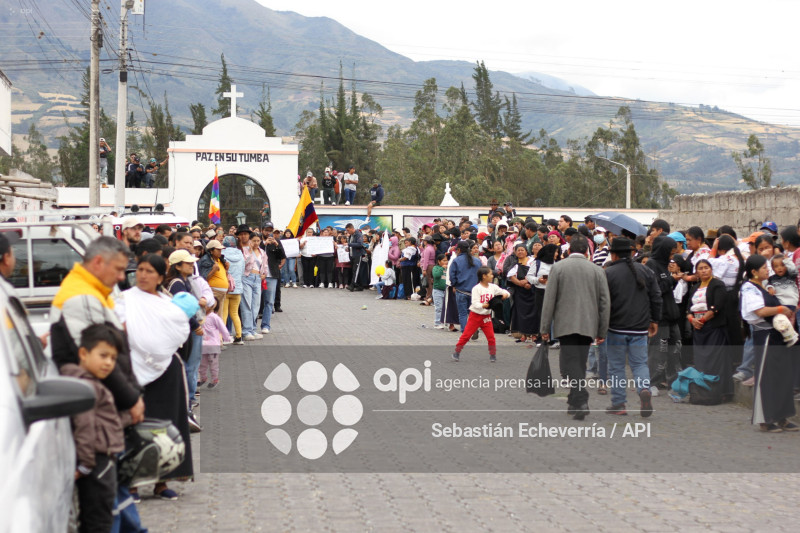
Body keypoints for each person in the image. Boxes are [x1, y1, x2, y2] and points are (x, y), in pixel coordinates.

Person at [114, 253, 194, 499]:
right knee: (135, 426)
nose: (143, 275)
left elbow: (181, 330)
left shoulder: (167, 304)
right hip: (131, 370)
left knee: (165, 427)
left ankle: (162, 482)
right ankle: (133, 483)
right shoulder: (122, 299)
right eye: (140, 270)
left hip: (165, 373)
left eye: (149, 271)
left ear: (160, 276)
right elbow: (118, 329)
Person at [60, 324, 127, 533]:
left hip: (98, 461)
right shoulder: (86, 386)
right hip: (98, 462)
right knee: (99, 520)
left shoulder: (88, 382)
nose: (108, 363)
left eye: (113, 358)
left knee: (93, 518)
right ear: (83, 353)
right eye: (103, 355)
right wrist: (86, 464)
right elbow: (84, 425)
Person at [540, 234, 610, 420]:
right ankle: (574, 398)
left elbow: (549, 300)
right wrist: (602, 330)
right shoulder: (597, 270)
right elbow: (604, 302)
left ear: (569, 250)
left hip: (565, 324)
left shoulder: (558, 268)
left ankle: (580, 398)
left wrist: (544, 328)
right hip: (589, 324)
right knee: (579, 360)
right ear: (587, 252)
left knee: (571, 361)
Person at [602, 237, 662, 416]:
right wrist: (654, 321)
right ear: (632, 253)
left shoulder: (608, 273)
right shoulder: (646, 271)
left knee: (617, 367)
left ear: (613, 255)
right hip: (640, 328)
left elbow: (603, 302)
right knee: (640, 364)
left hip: (615, 329)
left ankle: (619, 404)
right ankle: (644, 389)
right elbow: (656, 297)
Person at [740, 254, 798, 432]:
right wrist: (781, 309)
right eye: (764, 267)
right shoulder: (750, 289)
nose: (768, 270)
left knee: (783, 376)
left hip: (777, 335)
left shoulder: (764, 287)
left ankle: (782, 416)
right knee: (767, 377)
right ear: (754, 272)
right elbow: (759, 311)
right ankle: (766, 418)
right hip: (764, 336)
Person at [686, 259, 733, 401]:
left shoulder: (717, 284)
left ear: (711, 269)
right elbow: (688, 308)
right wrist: (692, 320)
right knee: (701, 361)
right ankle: (703, 391)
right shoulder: (695, 287)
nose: (703, 270)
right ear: (697, 272)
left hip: (713, 326)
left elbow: (717, 306)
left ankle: (717, 392)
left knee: (715, 360)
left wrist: (703, 320)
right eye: (700, 268)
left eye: (706, 267)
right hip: (698, 328)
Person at [646, 236, 683, 391]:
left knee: (675, 351)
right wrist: (671, 280)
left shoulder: (666, 266)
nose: (672, 256)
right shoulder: (651, 264)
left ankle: (673, 381)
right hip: (659, 318)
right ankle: (653, 382)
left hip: (672, 316)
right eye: (670, 252)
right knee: (657, 353)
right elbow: (655, 290)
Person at [452, 266, 510, 362]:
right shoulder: (476, 288)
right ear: (484, 276)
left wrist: (505, 295)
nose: (492, 276)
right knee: (466, 335)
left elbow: (505, 292)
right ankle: (457, 352)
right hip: (475, 315)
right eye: (490, 274)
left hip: (486, 316)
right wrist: (483, 305)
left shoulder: (493, 287)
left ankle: (492, 354)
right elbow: (475, 303)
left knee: (491, 337)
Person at [507, 244, 537, 342]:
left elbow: (536, 273)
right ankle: (523, 334)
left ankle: (533, 334)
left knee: (533, 312)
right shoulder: (515, 264)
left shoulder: (532, 262)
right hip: (520, 292)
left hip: (532, 290)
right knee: (521, 313)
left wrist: (527, 282)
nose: (520, 252)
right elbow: (511, 276)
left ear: (526, 251)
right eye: (518, 250)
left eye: (522, 250)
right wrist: (521, 283)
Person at [449, 240, 481, 332]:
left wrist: (454, 285)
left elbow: (452, 276)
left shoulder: (456, 261)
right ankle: (473, 328)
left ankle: (465, 331)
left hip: (461, 290)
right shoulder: (477, 261)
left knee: (462, 313)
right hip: (474, 291)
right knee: (472, 312)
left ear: (459, 250)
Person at [199, 298, 230, 389]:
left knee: (213, 364)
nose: (205, 307)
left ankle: (215, 379)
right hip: (202, 344)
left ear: (212, 306)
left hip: (213, 345)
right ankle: (203, 378)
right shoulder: (200, 316)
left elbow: (222, 328)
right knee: (202, 363)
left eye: (207, 305)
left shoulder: (214, 317)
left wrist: (226, 337)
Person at [259, 227, 285, 334]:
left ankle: (266, 325)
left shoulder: (277, 242)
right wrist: (264, 243)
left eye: (270, 231)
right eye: (266, 230)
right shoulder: (258, 242)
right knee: (255, 302)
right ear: (262, 231)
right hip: (259, 275)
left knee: (269, 302)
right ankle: (251, 326)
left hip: (272, 275)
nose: (268, 233)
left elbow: (282, 256)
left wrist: (277, 245)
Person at [241, 231, 266, 341]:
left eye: (258, 241)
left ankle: (252, 329)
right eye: (254, 240)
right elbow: (243, 263)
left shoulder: (262, 252)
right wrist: (250, 250)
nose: (256, 243)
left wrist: (264, 274)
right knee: (247, 303)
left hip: (258, 279)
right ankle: (246, 331)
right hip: (247, 277)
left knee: (256, 305)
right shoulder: (244, 251)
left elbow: (264, 265)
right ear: (250, 240)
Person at [221, 236, 244, 344]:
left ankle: (222, 337)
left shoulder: (222, 254)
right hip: (237, 288)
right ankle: (239, 337)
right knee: (235, 313)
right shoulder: (241, 254)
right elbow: (243, 271)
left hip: (226, 288)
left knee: (224, 314)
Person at [345, 223, 367, 290]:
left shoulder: (358, 234)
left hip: (358, 255)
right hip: (352, 255)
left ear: (352, 228)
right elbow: (352, 245)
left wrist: (349, 244)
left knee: (356, 270)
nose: (347, 232)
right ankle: (359, 286)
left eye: (348, 230)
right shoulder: (351, 236)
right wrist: (348, 248)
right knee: (355, 270)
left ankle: (352, 285)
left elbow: (360, 244)